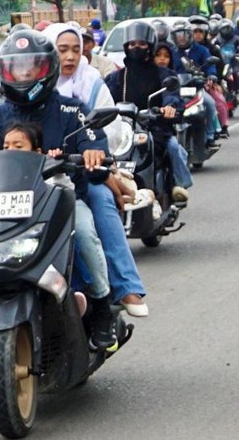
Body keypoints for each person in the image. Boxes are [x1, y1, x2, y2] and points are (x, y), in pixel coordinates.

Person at [0, 28, 118, 350]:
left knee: (87, 235)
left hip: (59, 202)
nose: (23, 75)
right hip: (2, 206)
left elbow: (95, 147)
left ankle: (102, 306)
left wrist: (94, 154)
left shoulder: (70, 110)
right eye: (16, 68)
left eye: (31, 68)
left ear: (45, 69)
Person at [44, 22, 148, 317]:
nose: (70, 57)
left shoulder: (92, 83)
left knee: (101, 199)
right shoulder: (32, 88)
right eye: (62, 50)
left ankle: (124, 285)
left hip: (84, 171)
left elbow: (110, 133)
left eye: (76, 50)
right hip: (37, 175)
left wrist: (95, 157)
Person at [105, 22, 192, 206]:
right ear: (126, 47)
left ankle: (177, 184)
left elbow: (171, 96)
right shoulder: (117, 77)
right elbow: (104, 100)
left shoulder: (163, 74)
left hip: (155, 127)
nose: (136, 48)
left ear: (150, 46)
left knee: (173, 146)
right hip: (123, 130)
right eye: (132, 44)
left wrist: (168, 108)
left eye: (142, 44)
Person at [170, 20, 220, 149]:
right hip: (177, 90)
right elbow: (166, 69)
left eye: (183, 34)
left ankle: (210, 135)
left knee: (210, 104)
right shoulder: (171, 52)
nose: (181, 38)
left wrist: (210, 76)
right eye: (177, 35)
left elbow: (211, 68)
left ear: (189, 34)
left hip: (196, 89)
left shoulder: (202, 50)